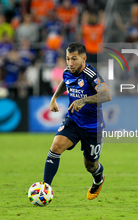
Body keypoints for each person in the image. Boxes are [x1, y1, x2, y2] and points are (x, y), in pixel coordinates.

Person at [43, 42, 111, 200]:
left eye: (74, 59)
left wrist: (84, 101)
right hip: (73, 120)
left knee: (90, 165)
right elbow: (65, 82)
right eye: (68, 59)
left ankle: (98, 179)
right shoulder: (68, 71)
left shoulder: (91, 74)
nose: (70, 63)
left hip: (93, 127)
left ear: (84, 58)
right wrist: (54, 98)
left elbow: (107, 95)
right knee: (56, 146)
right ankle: (44, 189)